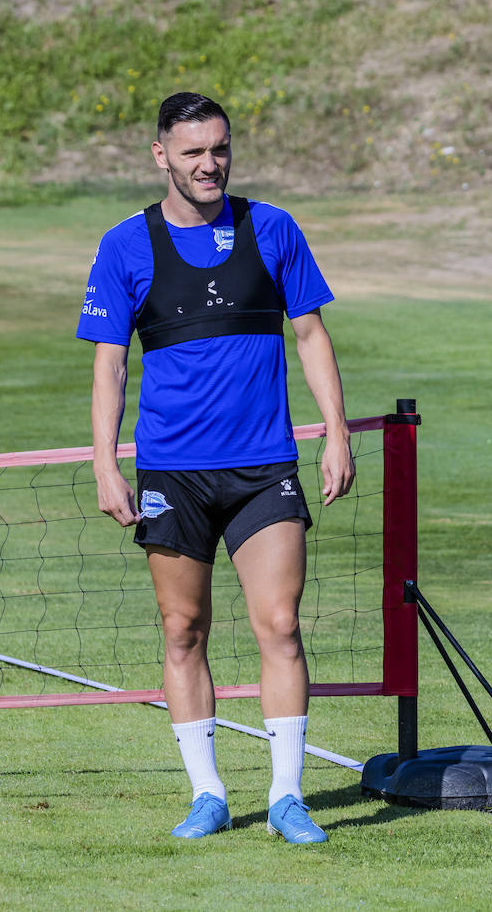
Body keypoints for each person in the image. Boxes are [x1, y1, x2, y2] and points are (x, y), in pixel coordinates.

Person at [77, 92, 355, 842]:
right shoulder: (125, 245)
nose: (210, 164)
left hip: (265, 467)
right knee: (183, 629)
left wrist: (336, 431)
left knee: (281, 625)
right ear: (161, 155)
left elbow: (311, 335)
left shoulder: (273, 229)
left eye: (220, 148)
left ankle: (289, 797)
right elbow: (110, 369)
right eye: (194, 151)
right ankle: (208, 795)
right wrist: (106, 464)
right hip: (173, 472)